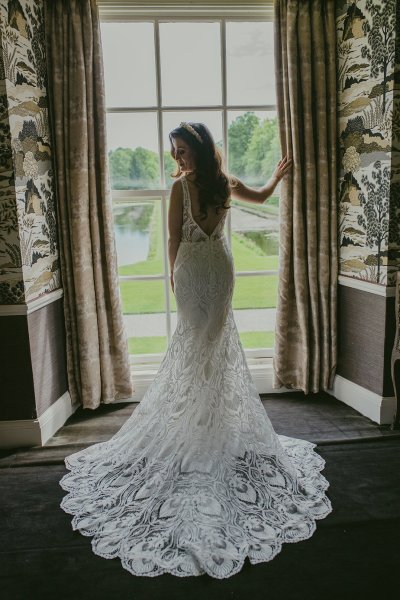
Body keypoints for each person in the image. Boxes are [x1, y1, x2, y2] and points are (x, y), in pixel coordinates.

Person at [59, 122, 332, 579]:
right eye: (175, 151)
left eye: (183, 151)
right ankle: (202, 421)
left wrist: (172, 273)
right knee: (199, 349)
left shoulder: (192, 187)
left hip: (202, 271)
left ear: (200, 151)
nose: (178, 159)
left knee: (211, 348)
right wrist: (274, 180)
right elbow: (260, 198)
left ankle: (207, 422)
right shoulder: (215, 184)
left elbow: (173, 238)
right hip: (210, 269)